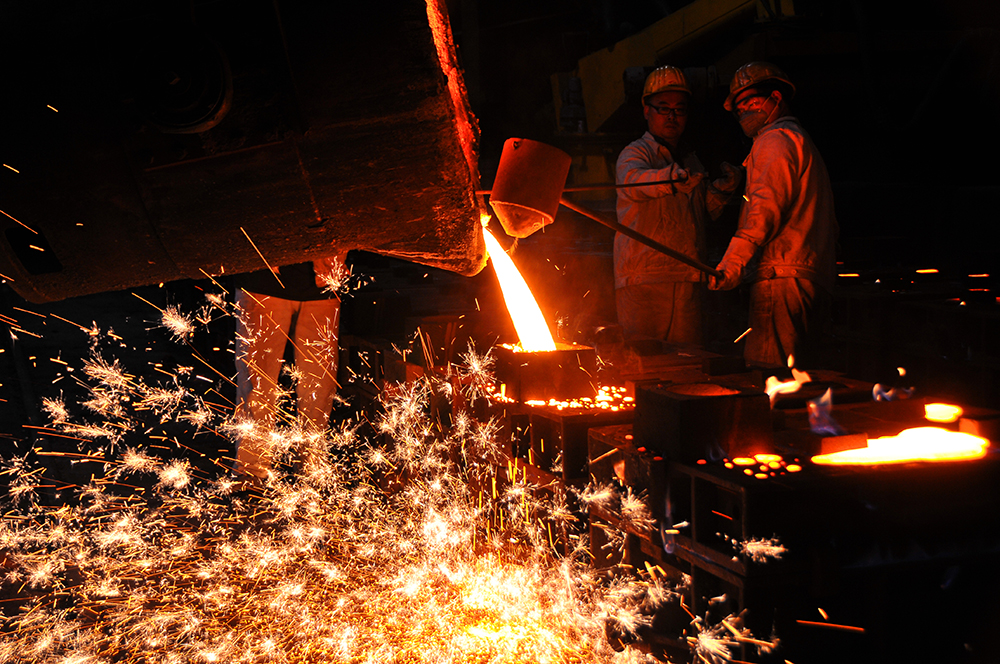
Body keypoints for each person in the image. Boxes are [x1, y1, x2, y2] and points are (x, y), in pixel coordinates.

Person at [708, 62, 838, 368]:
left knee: (769, 377)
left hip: (780, 277)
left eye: (751, 102)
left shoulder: (774, 140)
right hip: (807, 276)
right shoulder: (799, 139)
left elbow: (764, 211)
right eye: (739, 108)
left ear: (776, 98)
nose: (744, 112)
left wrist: (733, 263)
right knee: (798, 379)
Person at [615, 65, 741, 345]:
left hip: (686, 275)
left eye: (679, 109)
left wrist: (721, 190)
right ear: (646, 110)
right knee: (643, 361)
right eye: (663, 108)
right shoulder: (635, 153)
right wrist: (671, 178)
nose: (672, 116)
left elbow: (697, 213)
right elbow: (632, 182)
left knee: (688, 361)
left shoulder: (689, 159)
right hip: (644, 279)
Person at [232, 256, 345, 482]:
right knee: (256, 382)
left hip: (323, 284)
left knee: (320, 384)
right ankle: (251, 470)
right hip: (262, 281)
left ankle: (312, 468)